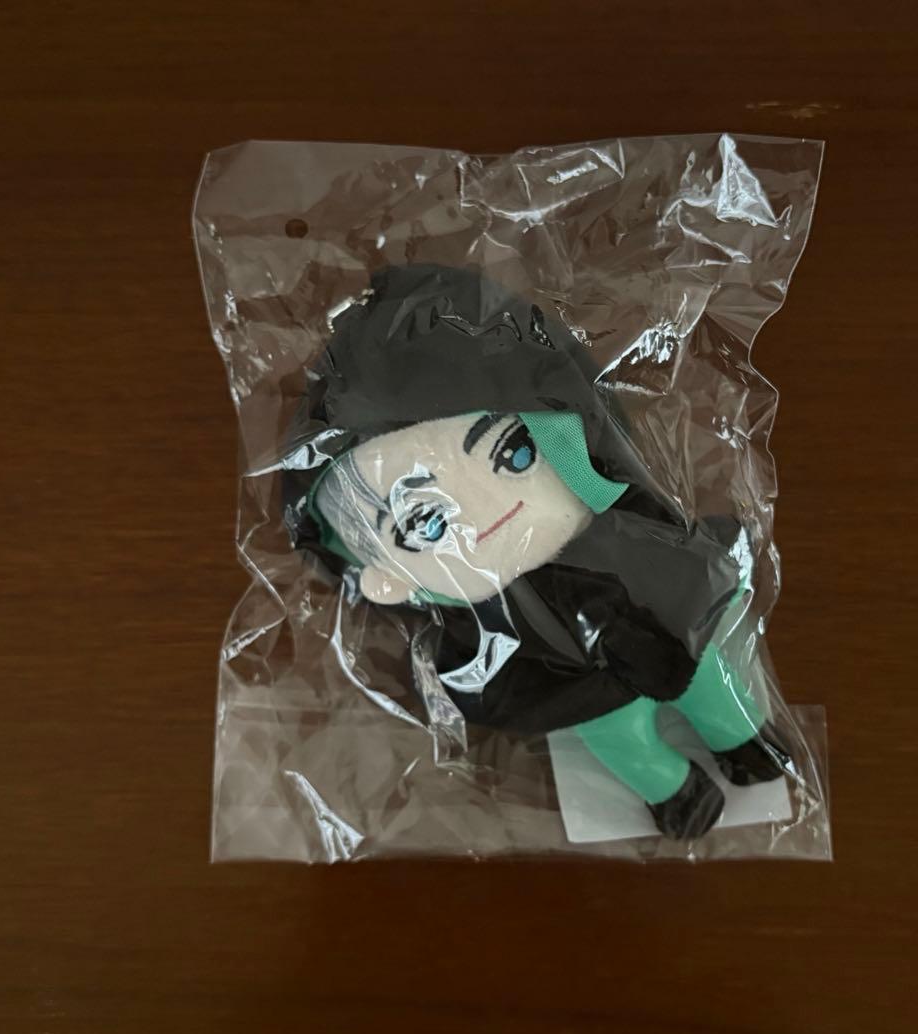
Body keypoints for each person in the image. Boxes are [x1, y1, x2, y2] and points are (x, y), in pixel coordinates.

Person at [285, 264, 789, 838]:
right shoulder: (480, 634)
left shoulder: (629, 534)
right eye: (427, 522)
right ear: (387, 578)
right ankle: (677, 791)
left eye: (516, 454)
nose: (487, 513)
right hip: (582, 695)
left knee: (711, 686)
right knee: (624, 739)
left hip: (671, 635)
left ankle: (747, 742)